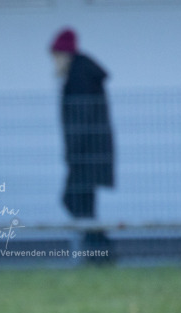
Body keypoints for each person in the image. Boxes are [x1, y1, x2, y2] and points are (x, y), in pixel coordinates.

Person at [51, 28, 114, 220]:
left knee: (73, 200)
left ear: (65, 55)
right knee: (83, 204)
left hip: (85, 154)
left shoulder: (79, 77)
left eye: (56, 56)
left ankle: (97, 238)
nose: (54, 62)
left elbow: (80, 119)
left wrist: (73, 154)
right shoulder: (82, 73)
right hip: (91, 151)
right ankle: (95, 238)